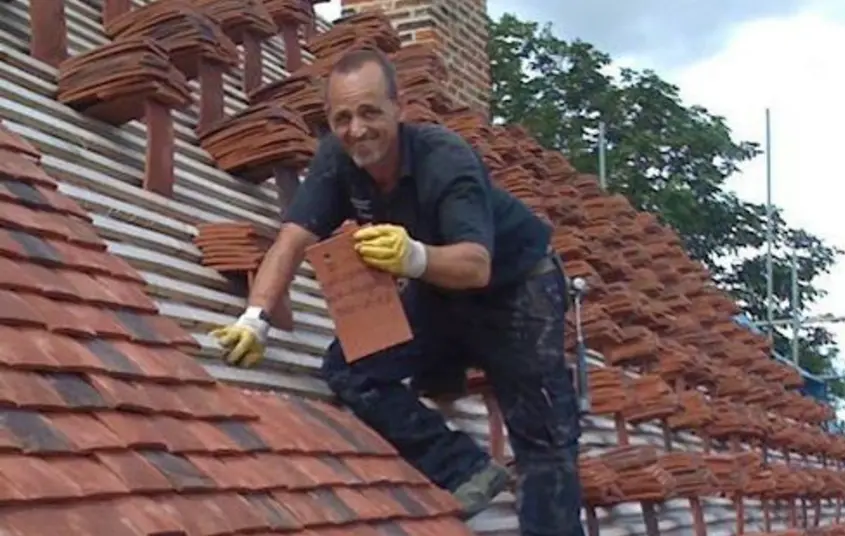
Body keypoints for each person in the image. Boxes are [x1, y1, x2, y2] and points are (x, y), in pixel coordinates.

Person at [210, 48, 585, 536]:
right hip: (439, 292)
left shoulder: (446, 159)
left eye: (370, 112)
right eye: (342, 117)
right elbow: (293, 238)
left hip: (519, 291)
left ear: (398, 108)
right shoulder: (337, 161)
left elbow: (475, 264)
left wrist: (414, 258)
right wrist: (254, 318)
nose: (357, 129)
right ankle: (464, 469)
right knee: (352, 368)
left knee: (543, 441)